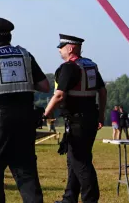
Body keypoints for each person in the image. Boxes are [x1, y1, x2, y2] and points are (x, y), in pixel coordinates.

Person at [0, 17, 51, 203]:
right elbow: (45, 86)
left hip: (0, 124)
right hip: (25, 121)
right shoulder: (25, 56)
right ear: (10, 36)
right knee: (26, 170)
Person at [43, 34, 107, 203]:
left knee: (80, 161)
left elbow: (59, 95)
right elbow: (102, 91)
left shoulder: (69, 68)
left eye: (61, 46)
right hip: (90, 117)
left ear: (70, 48)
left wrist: (46, 113)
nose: (59, 49)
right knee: (75, 160)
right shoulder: (90, 66)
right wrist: (101, 114)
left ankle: (90, 199)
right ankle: (69, 198)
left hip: (77, 120)